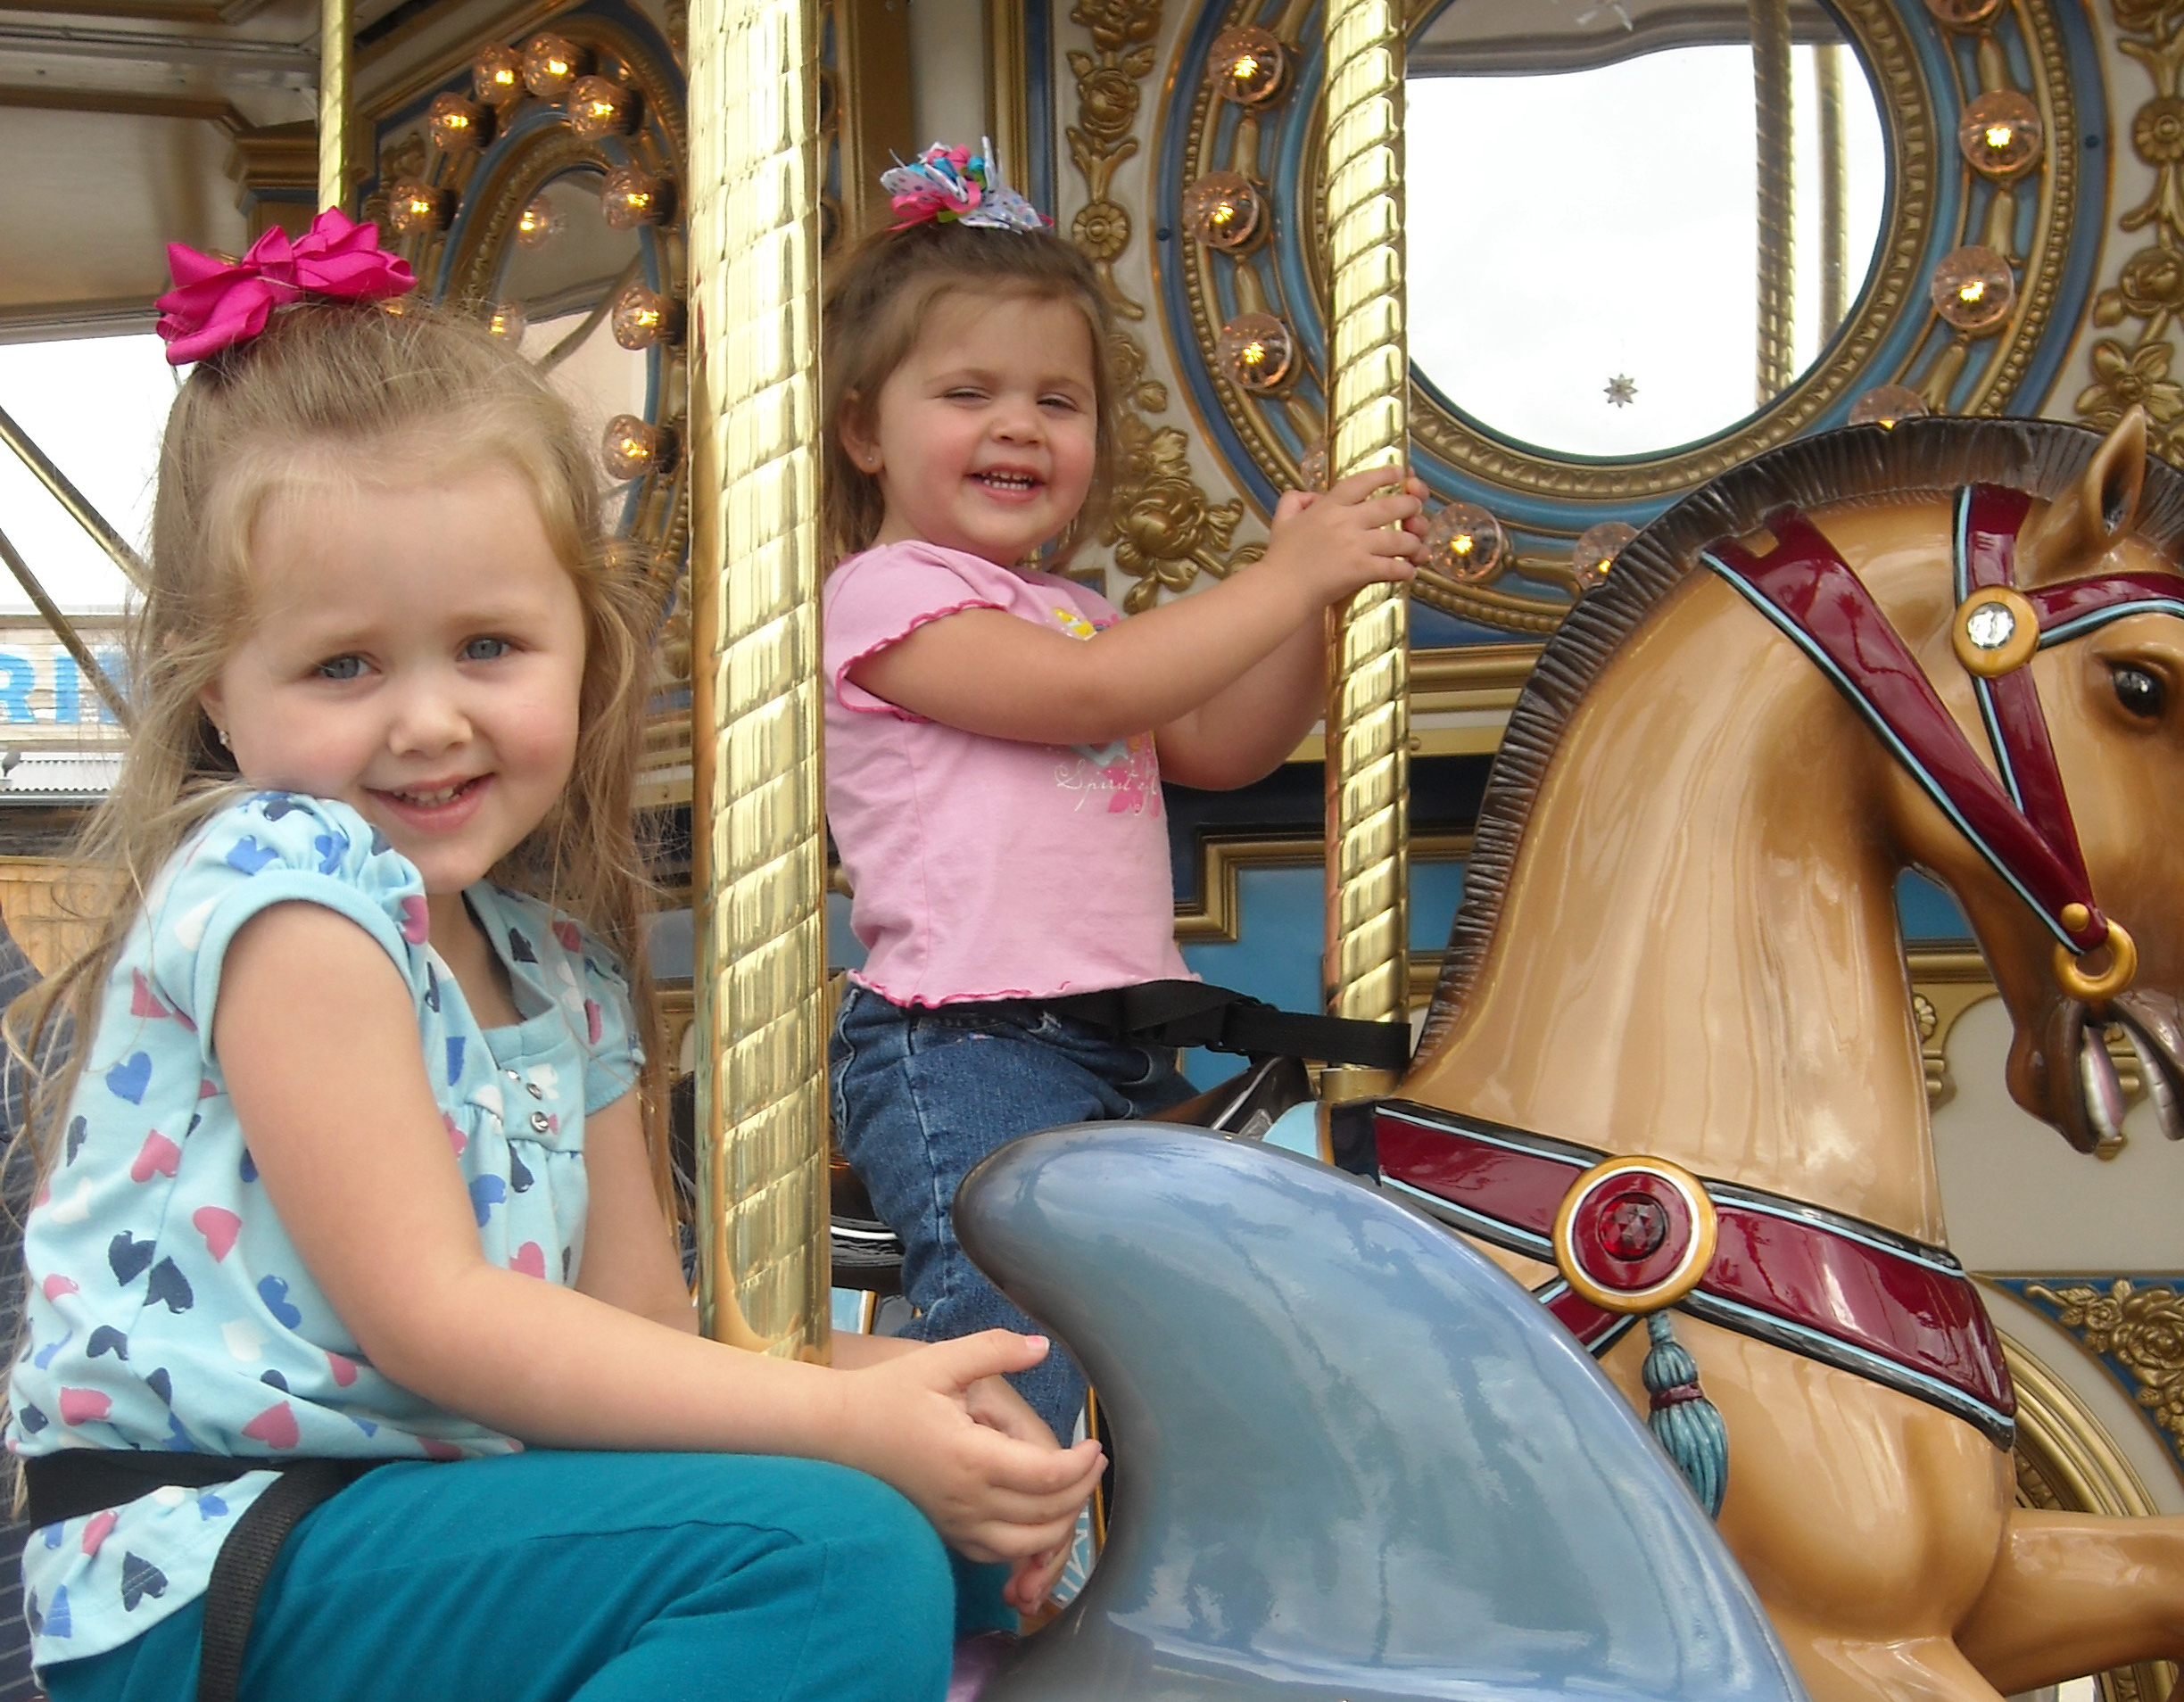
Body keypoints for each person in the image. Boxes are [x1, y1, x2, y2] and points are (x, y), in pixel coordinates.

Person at [1, 210, 1100, 1702]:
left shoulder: (553, 960)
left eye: (488, 648)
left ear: (583, 648)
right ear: (217, 692)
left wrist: (907, 1393)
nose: (429, 720)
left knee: (952, 1510)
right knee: (831, 1553)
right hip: (215, 1556)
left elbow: (633, 1329)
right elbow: (436, 1320)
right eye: (342, 667)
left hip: (416, 1520)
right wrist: (846, 1429)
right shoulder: (285, 890)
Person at [823, 145, 1427, 1442]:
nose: (1019, 426)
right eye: (968, 391)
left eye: (1059, 399)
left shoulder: (1077, 612)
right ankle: (992, 1604)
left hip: (1112, 1046)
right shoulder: (887, 599)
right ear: (866, 427)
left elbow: (1224, 744)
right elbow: (1098, 700)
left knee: (1196, 1328)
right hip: (964, 1046)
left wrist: (1312, 606)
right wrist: (1283, 583)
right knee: (1014, 1339)